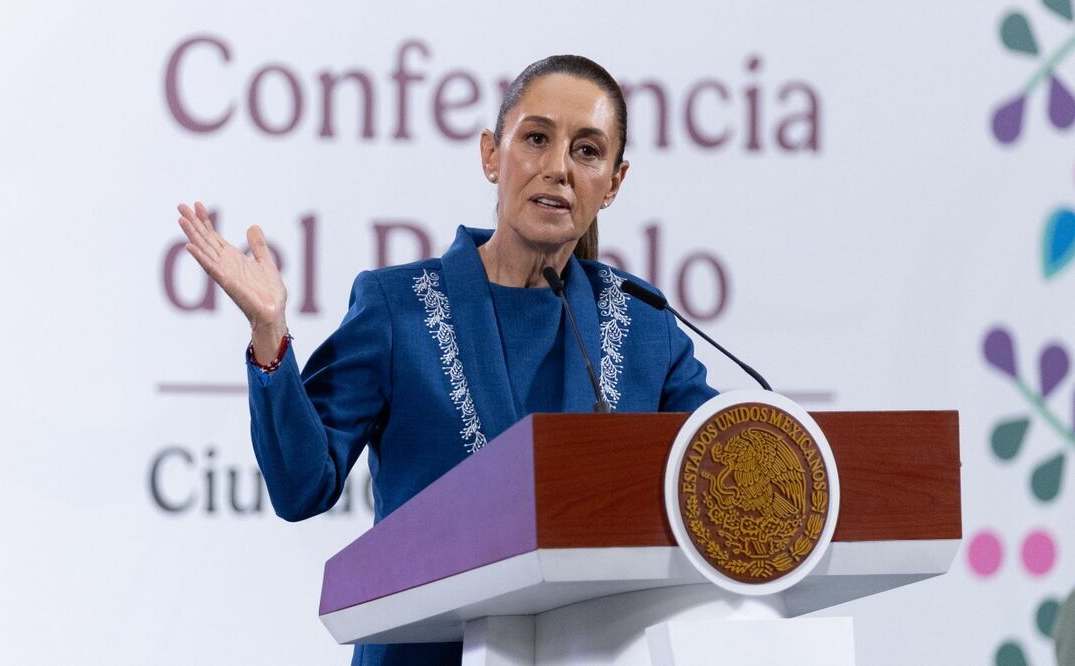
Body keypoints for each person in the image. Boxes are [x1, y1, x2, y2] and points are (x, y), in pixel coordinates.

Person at [176, 55, 718, 666]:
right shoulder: (395, 307)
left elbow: (730, 466)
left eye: (587, 151)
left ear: (614, 183)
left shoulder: (645, 326)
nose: (559, 168)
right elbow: (303, 485)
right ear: (492, 155)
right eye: (536, 139)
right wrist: (269, 331)